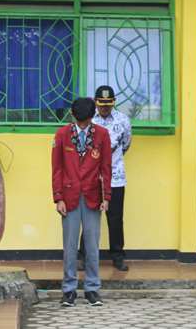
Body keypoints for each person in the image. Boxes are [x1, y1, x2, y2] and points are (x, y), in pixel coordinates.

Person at [52, 97, 112, 307]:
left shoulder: (103, 135)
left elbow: (106, 167)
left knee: (92, 246)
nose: (82, 126)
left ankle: (92, 289)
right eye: (79, 121)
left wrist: (106, 197)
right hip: (69, 198)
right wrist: (58, 197)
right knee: (69, 247)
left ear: (92, 117)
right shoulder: (61, 134)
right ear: (72, 116)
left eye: (86, 122)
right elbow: (57, 168)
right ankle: (69, 290)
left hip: (93, 197)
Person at [79, 86, 132, 271]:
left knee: (116, 218)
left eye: (108, 105)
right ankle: (84, 256)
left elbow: (125, 145)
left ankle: (117, 256)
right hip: (92, 178)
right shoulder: (89, 121)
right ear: (95, 103)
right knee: (89, 218)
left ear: (113, 103)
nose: (105, 108)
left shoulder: (123, 120)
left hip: (115, 177)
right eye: (101, 105)